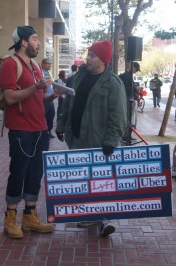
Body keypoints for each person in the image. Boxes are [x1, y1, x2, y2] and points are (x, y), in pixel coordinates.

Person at [56, 40, 127, 237]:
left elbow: (119, 116)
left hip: (99, 143)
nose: (88, 58)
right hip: (77, 139)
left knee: (102, 182)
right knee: (85, 180)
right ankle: (89, 214)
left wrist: (111, 141)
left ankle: (104, 219)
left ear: (103, 60)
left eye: (93, 55)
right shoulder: (79, 78)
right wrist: (61, 126)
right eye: (89, 54)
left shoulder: (114, 84)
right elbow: (68, 103)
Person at [0, 25, 60, 239]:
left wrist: (52, 96)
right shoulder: (10, 64)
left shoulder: (34, 65)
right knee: (18, 173)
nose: (39, 43)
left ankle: (29, 216)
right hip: (21, 130)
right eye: (35, 39)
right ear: (23, 42)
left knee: (35, 174)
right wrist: (36, 87)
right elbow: (9, 97)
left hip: (40, 129)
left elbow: (37, 98)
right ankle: (10, 218)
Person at [119, 62, 143, 141]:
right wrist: (136, 88)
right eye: (136, 69)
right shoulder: (127, 75)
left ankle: (128, 135)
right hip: (128, 99)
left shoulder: (128, 75)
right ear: (133, 67)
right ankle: (126, 135)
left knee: (130, 118)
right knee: (128, 118)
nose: (136, 71)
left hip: (130, 99)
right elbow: (126, 88)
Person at [41, 58, 56, 139]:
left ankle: (48, 131)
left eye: (50, 63)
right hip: (44, 97)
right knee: (44, 115)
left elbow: (52, 83)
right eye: (48, 63)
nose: (50, 65)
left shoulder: (49, 72)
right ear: (43, 64)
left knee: (51, 114)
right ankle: (44, 132)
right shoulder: (40, 72)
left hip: (50, 97)